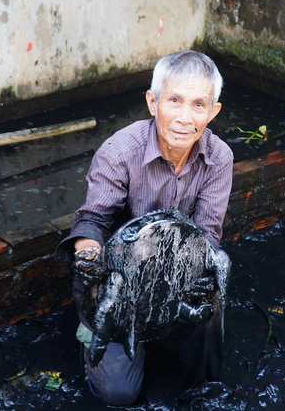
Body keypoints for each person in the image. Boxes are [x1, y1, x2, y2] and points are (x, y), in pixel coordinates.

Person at [54, 50, 233, 406]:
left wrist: (202, 274)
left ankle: (205, 380)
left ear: (213, 112)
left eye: (199, 105)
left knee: (213, 293)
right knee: (120, 393)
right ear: (153, 103)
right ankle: (89, 336)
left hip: (175, 273)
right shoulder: (120, 151)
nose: (185, 118)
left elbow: (207, 234)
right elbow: (93, 219)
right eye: (174, 101)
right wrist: (89, 254)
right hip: (116, 278)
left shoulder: (219, 157)